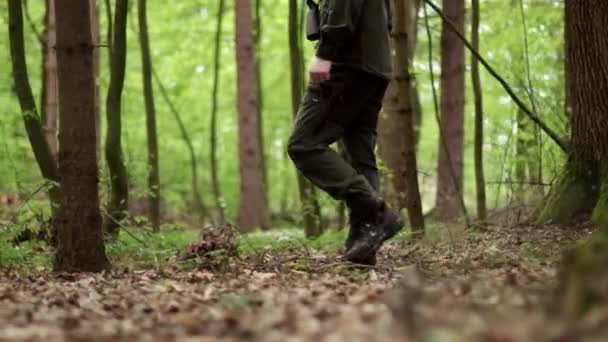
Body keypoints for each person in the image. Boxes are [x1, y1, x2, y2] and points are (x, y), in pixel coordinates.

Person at [287, 0, 402, 265]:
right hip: (375, 69)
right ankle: (363, 246)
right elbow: (388, 22)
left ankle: (375, 211)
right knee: (358, 155)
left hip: (346, 65)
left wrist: (325, 54)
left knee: (303, 145)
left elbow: (343, 14)